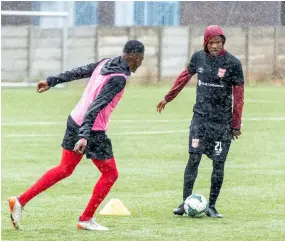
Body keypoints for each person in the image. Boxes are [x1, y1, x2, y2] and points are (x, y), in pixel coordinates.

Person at [8, 40, 145, 230]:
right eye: (141, 59)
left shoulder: (105, 62)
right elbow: (96, 105)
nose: (141, 63)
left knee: (64, 168)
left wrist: (51, 81)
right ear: (134, 57)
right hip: (91, 129)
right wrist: (84, 135)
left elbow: (78, 71)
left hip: (75, 120)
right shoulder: (119, 78)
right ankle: (86, 219)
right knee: (110, 174)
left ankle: (20, 201)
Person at [157, 25, 244, 218]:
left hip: (222, 123)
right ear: (205, 43)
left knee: (218, 164)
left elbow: (239, 96)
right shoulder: (198, 58)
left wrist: (235, 124)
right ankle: (185, 202)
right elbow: (184, 77)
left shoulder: (233, 63)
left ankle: (212, 206)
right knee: (193, 159)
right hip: (200, 120)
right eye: (211, 42)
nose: (215, 46)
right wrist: (168, 97)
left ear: (223, 42)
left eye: (218, 42)